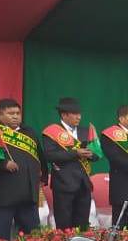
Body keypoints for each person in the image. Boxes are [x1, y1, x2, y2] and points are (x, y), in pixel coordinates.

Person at [0, 98, 43, 239]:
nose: (16, 116)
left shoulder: (28, 131)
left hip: (27, 194)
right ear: (0, 114)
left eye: (18, 113)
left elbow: (40, 156)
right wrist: (3, 164)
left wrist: (43, 177)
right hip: (3, 194)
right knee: (1, 237)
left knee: (32, 237)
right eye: (11, 113)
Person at [41, 97, 98, 230]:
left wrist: (91, 155)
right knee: (64, 224)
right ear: (64, 115)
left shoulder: (85, 131)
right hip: (63, 184)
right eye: (75, 114)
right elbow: (50, 155)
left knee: (83, 225)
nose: (79, 117)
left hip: (84, 184)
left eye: (79, 114)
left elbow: (97, 154)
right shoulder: (51, 132)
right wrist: (75, 153)